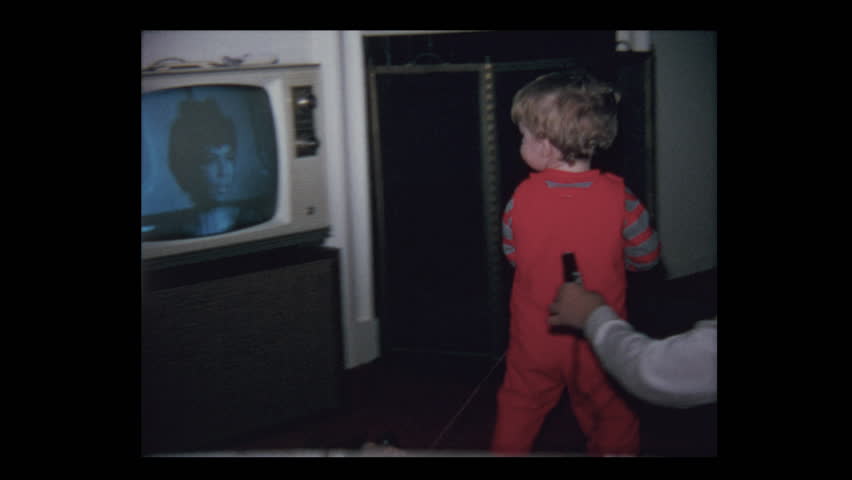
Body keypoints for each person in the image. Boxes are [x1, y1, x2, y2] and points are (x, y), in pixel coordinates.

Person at [491, 69, 660, 456]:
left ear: (546, 147)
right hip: (600, 335)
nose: (521, 142)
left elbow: (512, 254)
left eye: (524, 135)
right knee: (611, 410)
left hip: (536, 335)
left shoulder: (521, 197)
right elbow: (647, 255)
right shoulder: (621, 198)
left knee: (520, 405)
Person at [548, 282, 716, 408]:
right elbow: (645, 257)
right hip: (606, 341)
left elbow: (654, 371)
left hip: (542, 331)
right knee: (610, 407)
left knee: (527, 399)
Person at [168, 97, 241, 237]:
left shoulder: (248, 217)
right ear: (186, 167)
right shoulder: (175, 231)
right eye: (211, 160)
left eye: (229, 158)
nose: (224, 171)